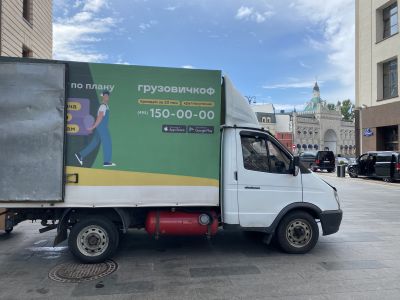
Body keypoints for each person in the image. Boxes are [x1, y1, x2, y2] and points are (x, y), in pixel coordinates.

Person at [75, 90, 115, 167]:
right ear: (102, 96)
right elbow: (99, 118)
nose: (107, 97)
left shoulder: (105, 106)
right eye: (105, 95)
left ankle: (80, 155)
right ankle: (106, 161)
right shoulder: (103, 106)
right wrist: (93, 127)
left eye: (108, 95)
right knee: (107, 142)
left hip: (101, 126)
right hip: (102, 127)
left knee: (94, 143)